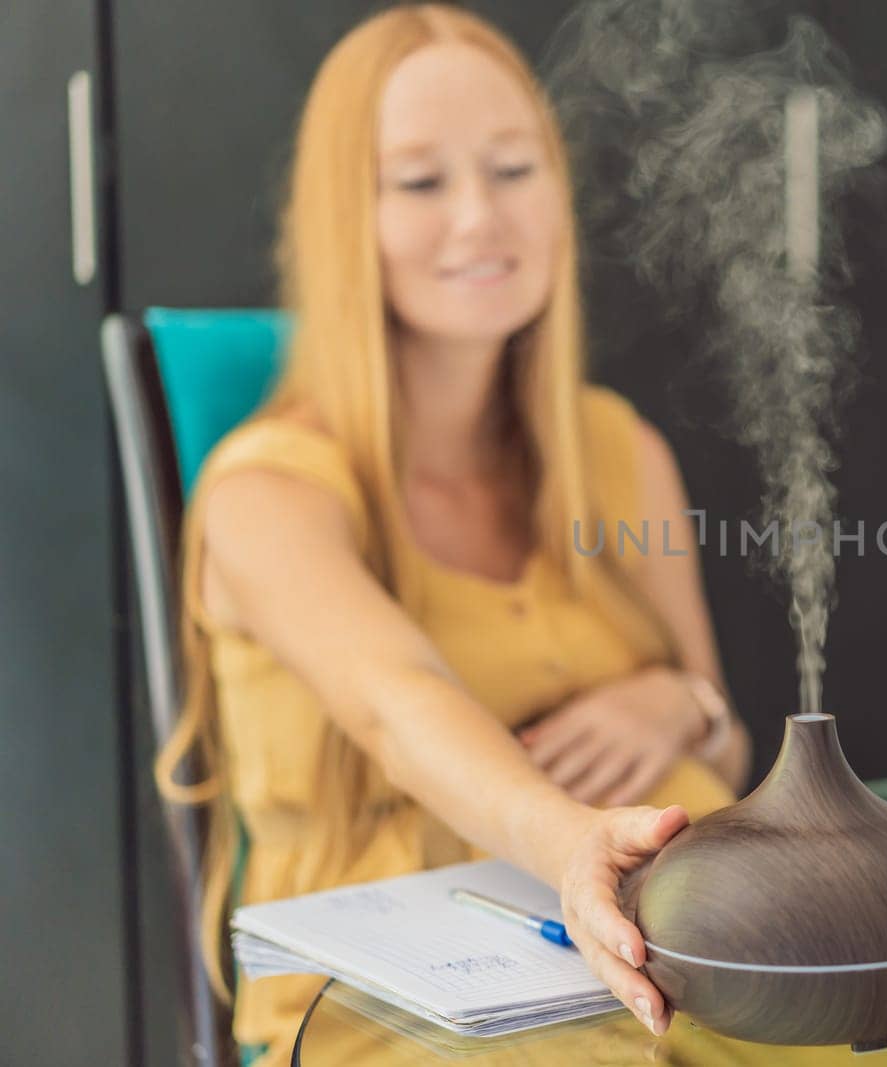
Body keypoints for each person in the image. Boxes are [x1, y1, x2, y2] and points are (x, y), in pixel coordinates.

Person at [155, 5, 752, 1063]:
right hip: (392, 1002)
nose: (480, 218)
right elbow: (398, 706)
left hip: (670, 953)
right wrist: (573, 841)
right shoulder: (268, 496)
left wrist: (677, 700)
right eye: (421, 183)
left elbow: (726, 739)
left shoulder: (618, 449)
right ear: (344, 217)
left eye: (514, 169)